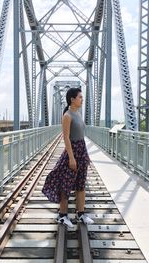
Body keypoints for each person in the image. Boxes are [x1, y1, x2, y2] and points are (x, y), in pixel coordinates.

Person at [42, 87, 94, 228]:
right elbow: (65, 138)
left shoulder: (78, 114)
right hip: (72, 152)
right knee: (65, 184)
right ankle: (62, 216)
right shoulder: (67, 115)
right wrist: (71, 158)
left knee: (80, 184)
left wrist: (85, 156)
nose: (82, 99)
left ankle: (81, 214)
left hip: (81, 151)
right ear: (72, 99)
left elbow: (81, 136)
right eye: (80, 97)